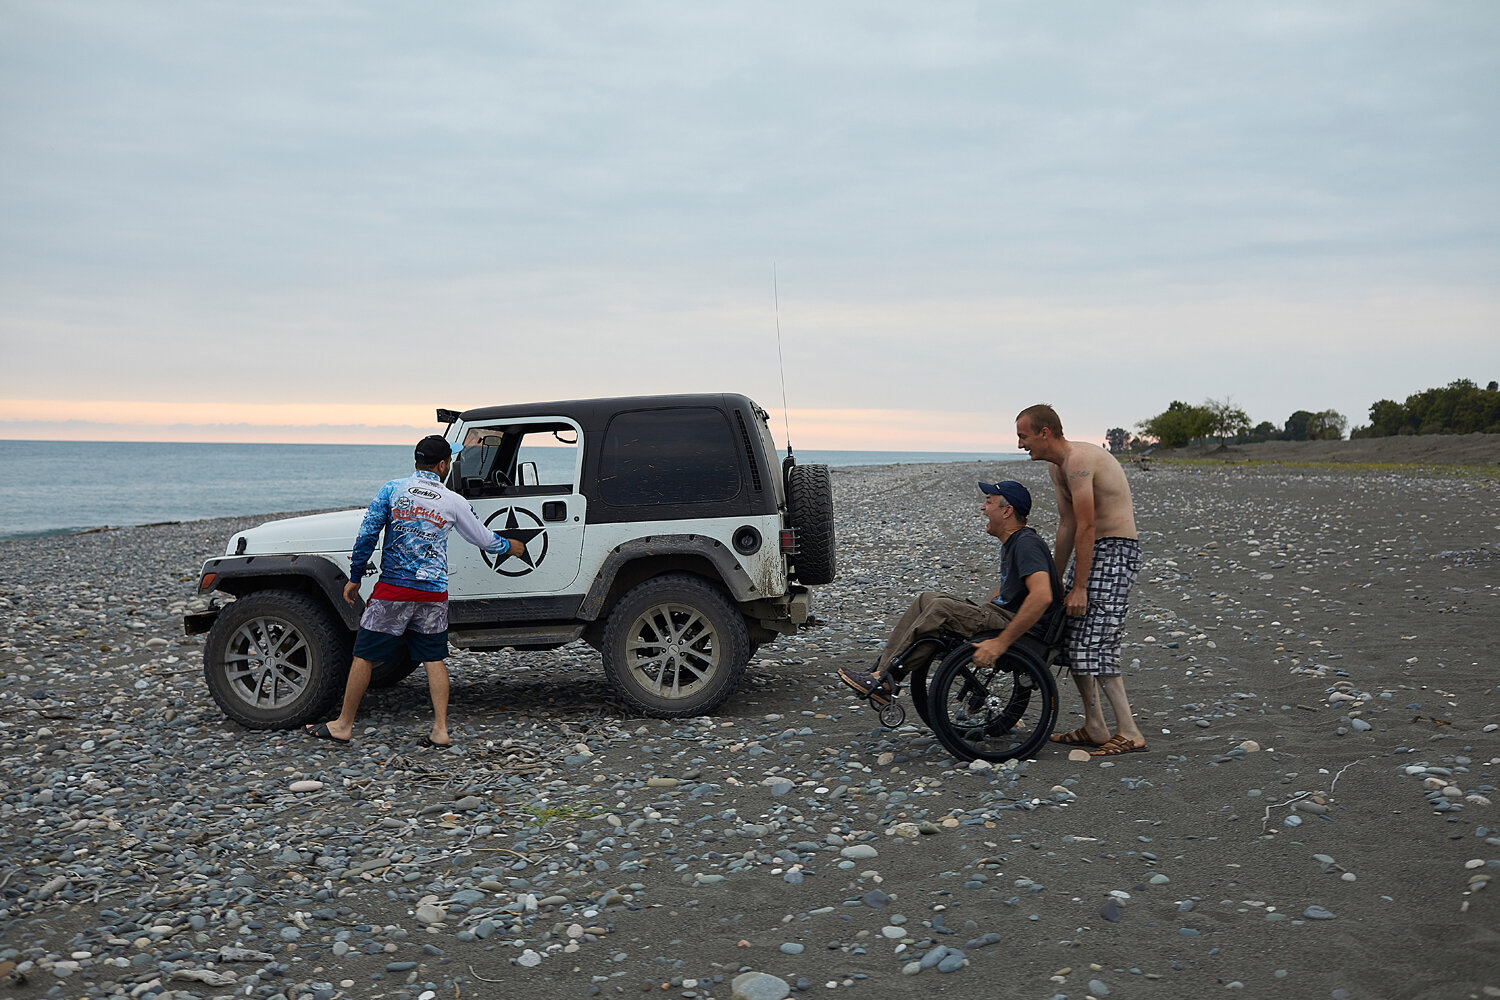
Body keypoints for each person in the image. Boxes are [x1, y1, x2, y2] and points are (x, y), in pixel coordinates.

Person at [306, 435, 524, 749]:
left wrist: (355, 576)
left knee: (365, 656)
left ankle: (343, 725)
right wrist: (510, 545)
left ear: (416, 461)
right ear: (443, 465)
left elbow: (367, 533)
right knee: (433, 659)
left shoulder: (392, 489)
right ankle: (440, 730)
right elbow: (484, 539)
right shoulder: (453, 501)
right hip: (432, 593)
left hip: (393, 590)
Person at [837, 480, 1060, 705]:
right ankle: (880, 671)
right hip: (1001, 614)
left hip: (1024, 631)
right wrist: (978, 611)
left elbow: (1042, 596)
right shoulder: (1014, 543)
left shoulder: (1026, 544)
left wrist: (1001, 642)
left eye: (988, 502)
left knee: (940, 609)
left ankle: (885, 680)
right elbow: (1010, 588)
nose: (983, 507)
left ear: (1007, 511)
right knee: (927, 599)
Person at [1015, 403, 1147, 757]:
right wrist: (1055, 581)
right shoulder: (1057, 470)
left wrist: (1081, 586)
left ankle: (1130, 731)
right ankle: (1095, 726)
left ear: (1045, 433)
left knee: (1095, 643)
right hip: (1096, 550)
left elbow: (1087, 524)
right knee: (1071, 636)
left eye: (1023, 436)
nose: (1019, 445)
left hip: (1116, 550)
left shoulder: (1078, 461)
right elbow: (1068, 526)